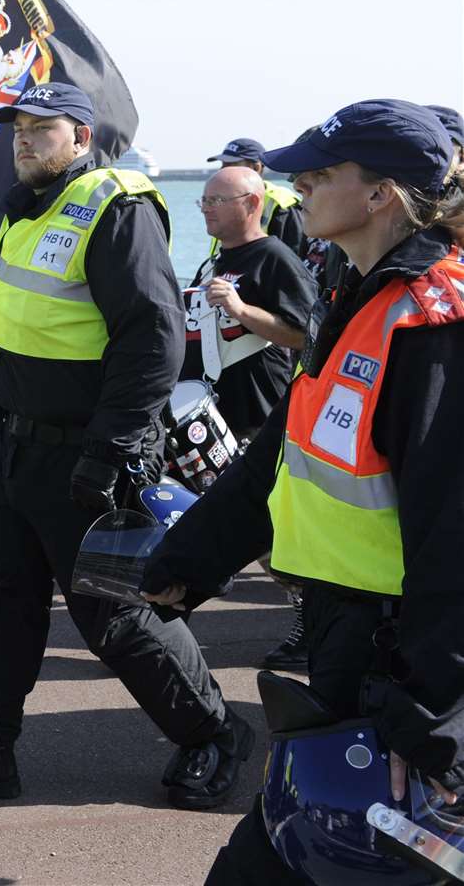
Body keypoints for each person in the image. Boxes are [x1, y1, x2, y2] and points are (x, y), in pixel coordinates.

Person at [0, 83, 251, 810]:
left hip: (88, 455)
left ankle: (212, 733)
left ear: (81, 138)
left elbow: (152, 339)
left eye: (42, 129)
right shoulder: (26, 210)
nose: (23, 140)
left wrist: (111, 449)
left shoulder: (114, 206)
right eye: (17, 129)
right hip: (14, 447)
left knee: (112, 613)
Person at [141, 99, 464, 883]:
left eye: (319, 175)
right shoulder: (361, 297)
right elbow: (279, 455)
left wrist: (426, 726)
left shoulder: (434, 323)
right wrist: (187, 563)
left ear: (381, 194)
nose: (299, 188)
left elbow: (455, 537)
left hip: (395, 661)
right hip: (343, 635)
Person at [183, 166, 317, 442]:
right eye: (204, 200)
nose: (205, 209)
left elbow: (308, 337)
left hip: (257, 421)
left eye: (216, 200)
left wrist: (241, 310)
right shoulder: (212, 265)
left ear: (252, 202)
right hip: (211, 421)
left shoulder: (274, 258)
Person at [204, 136, 308, 259]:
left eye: (231, 165)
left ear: (256, 168)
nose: (223, 170)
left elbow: (291, 259)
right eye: (222, 165)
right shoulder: (225, 201)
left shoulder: (283, 204)